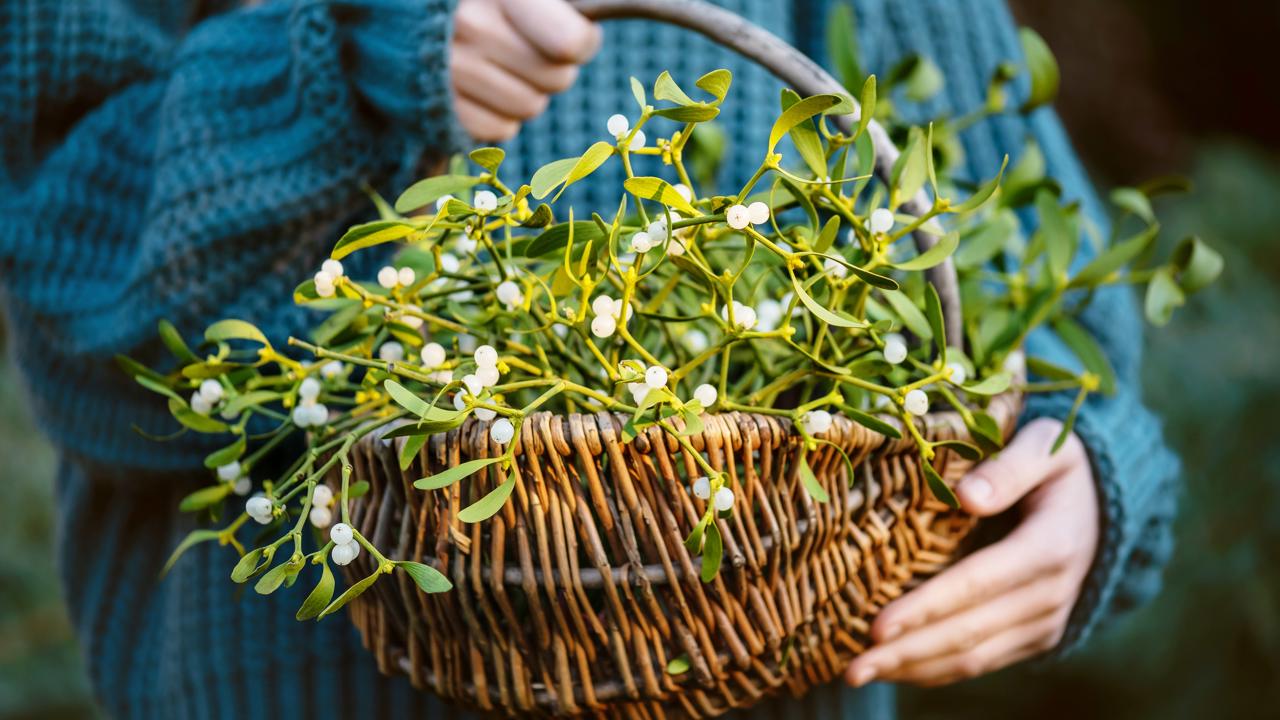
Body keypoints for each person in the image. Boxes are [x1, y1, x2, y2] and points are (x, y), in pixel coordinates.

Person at [0, 0, 1178, 717]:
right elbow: (68, 289)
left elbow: (1019, 294)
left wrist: (1070, 472)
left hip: (772, 697)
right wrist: (342, 69)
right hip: (297, 690)